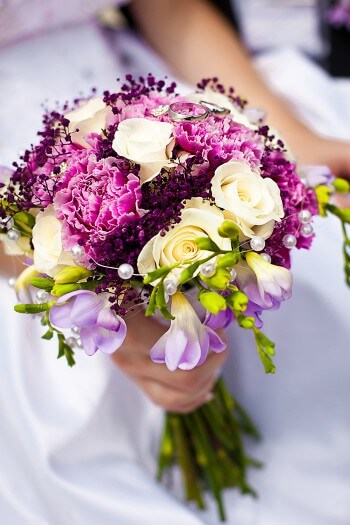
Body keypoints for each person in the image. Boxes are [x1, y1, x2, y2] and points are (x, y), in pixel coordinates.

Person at [0, 1, 349, 524]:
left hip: (151, 109)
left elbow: (169, 7)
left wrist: (298, 145)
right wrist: (90, 283)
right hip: (21, 209)